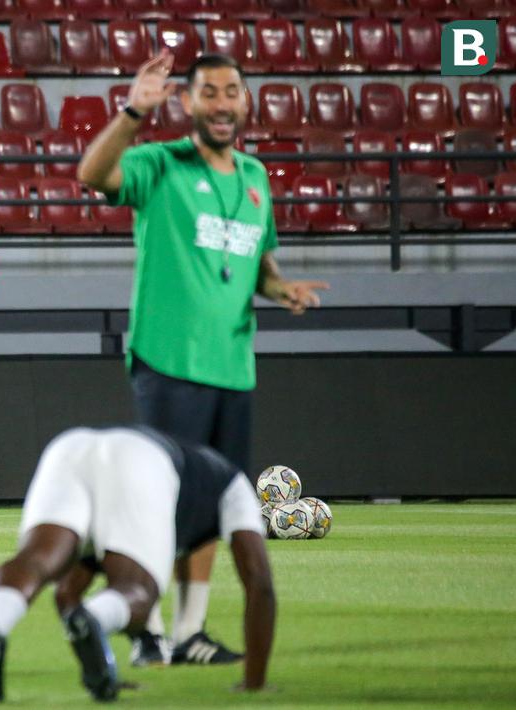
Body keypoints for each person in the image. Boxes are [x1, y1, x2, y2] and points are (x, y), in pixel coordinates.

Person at [75, 51, 328, 666]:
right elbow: (92, 173)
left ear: (246, 102)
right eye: (208, 92)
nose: (221, 103)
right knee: (156, 502)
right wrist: (136, 109)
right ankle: (146, 631)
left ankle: (188, 634)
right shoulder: (159, 164)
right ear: (186, 103)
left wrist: (282, 288)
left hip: (233, 366)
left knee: (213, 509)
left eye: (231, 92)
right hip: (170, 360)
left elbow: (257, 263)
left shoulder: (256, 177)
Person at [0, 425, 275, 702]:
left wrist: (98, 668)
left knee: (36, 560)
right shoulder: (236, 487)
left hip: (69, 447)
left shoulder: (205, 476)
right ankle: (99, 618)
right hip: (144, 460)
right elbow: (259, 582)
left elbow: (67, 595)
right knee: (137, 588)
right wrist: (254, 682)